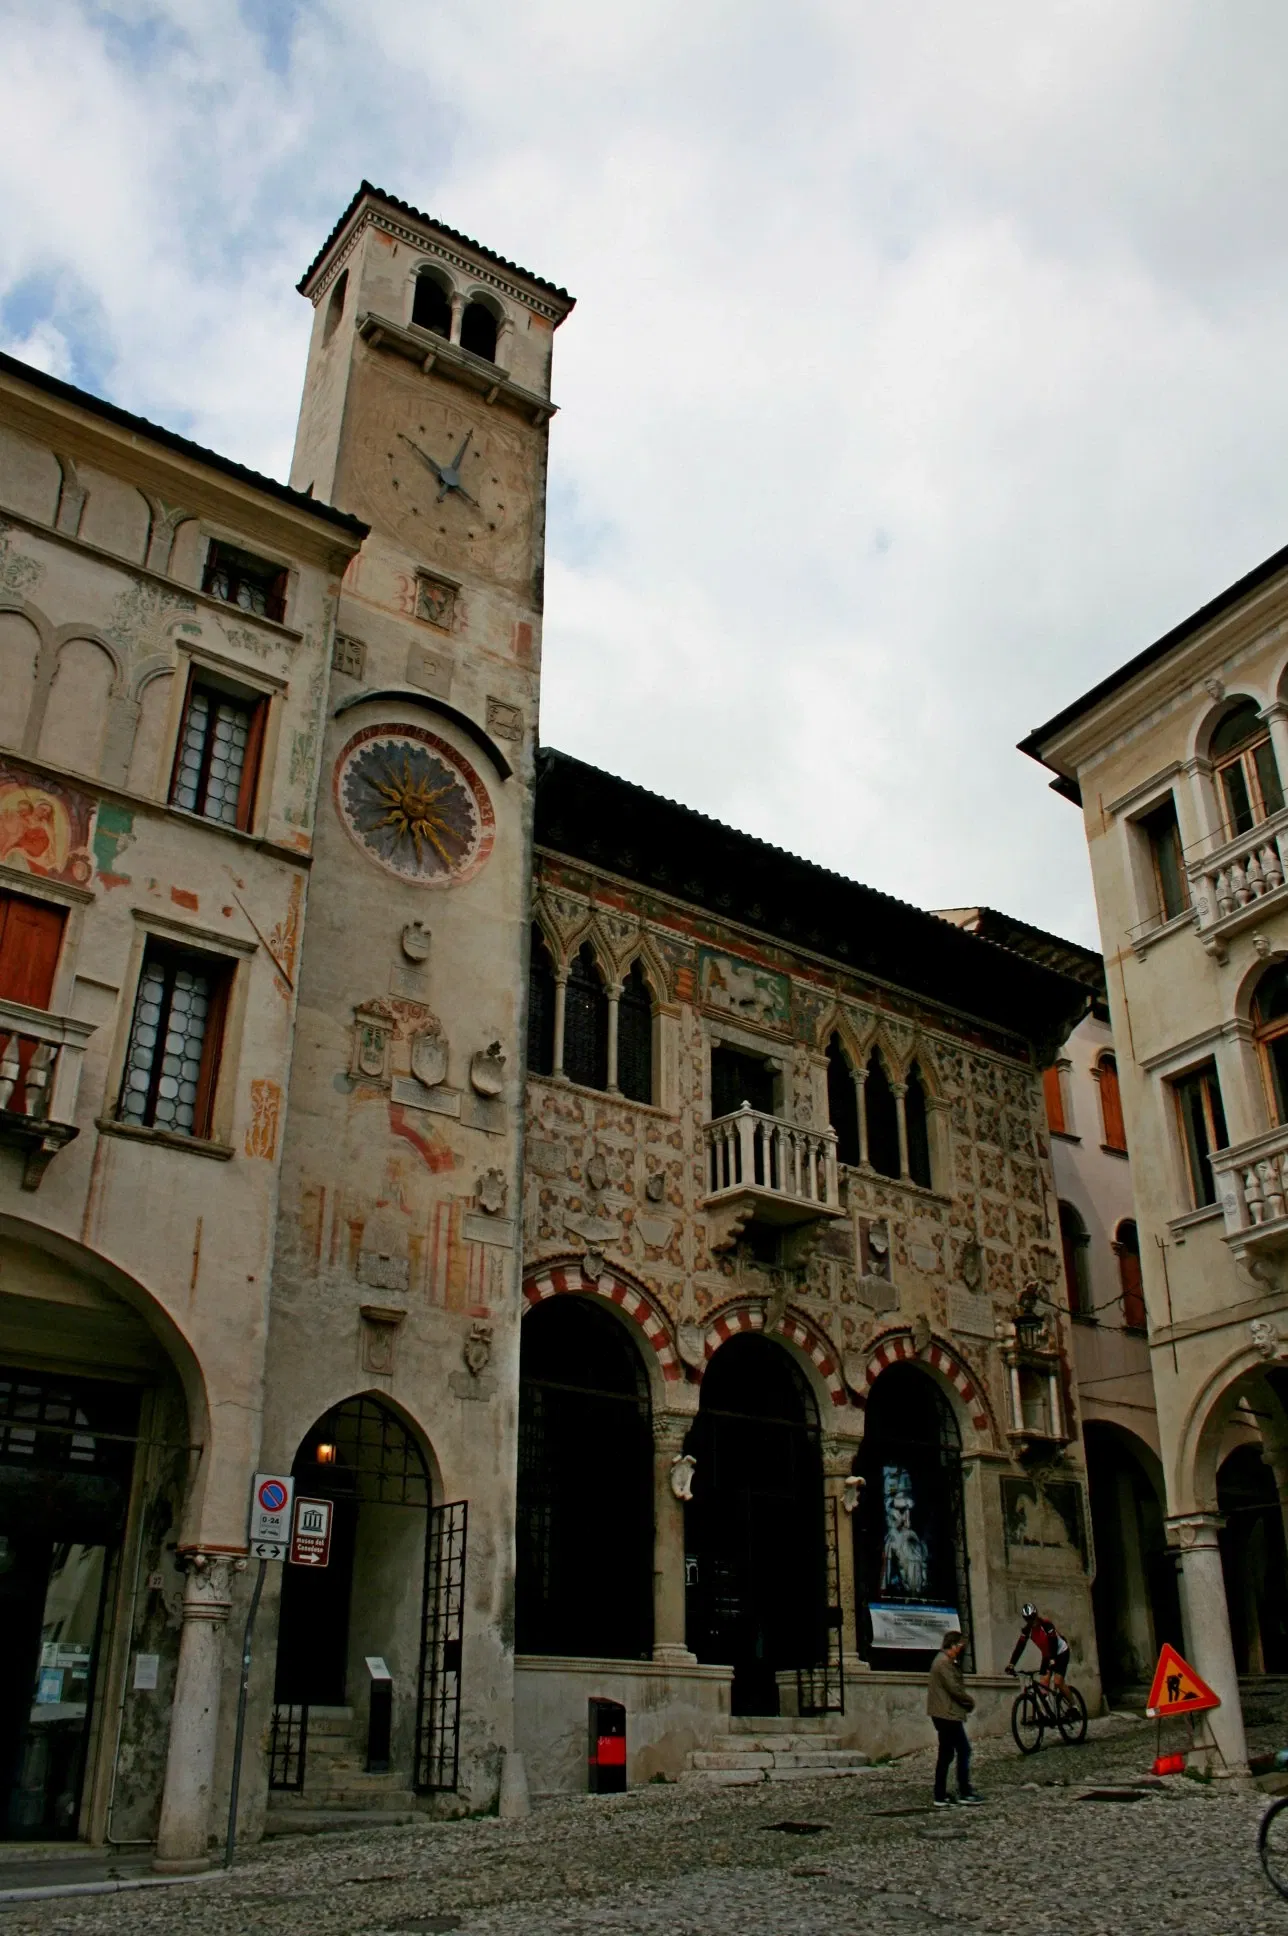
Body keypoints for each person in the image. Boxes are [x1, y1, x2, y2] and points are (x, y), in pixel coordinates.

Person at [926, 1630, 983, 1807]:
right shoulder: (943, 1663)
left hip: (945, 1714)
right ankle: (962, 1791)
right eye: (959, 1646)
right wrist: (969, 1702)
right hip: (947, 1715)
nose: (960, 1650)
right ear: (952, 1646)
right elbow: (954, 1688)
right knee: (961, 1751)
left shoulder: (945, 1662)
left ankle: (942, 1794)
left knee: (948, 1753)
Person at [1006, 1603, 1072, 1695]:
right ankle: (1047, 1706)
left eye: (1033, 1618)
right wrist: (1011, 1664)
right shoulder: (1027, 1630)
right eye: (1028, 1619)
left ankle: (1074, 1706)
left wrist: (1053, 1659)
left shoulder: (1046, 1624)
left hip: (1061, 1652)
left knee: (1058, 1682)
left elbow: (1053, 1641)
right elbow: (1020, 1647)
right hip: (1047, 1655)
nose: (1032, 1621)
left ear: (1036, 1615)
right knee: (1043, 1686)